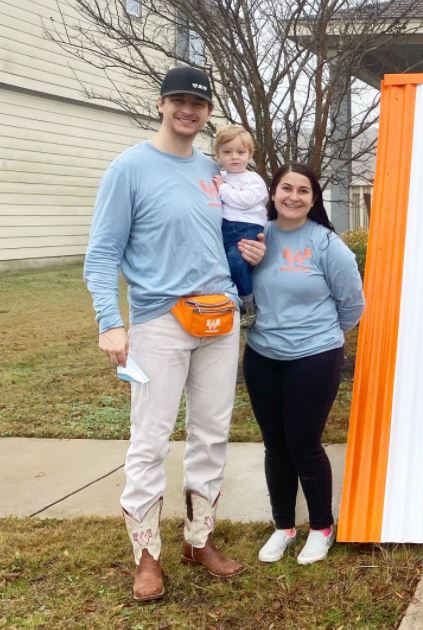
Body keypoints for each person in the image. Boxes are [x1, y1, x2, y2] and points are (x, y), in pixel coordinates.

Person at [83, 66, 265, 602]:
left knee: (211, 434)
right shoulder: (130, 168)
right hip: (160, 321)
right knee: (151, 439)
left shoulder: (217, 170)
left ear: (209, 113)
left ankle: (198, 539)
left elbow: (237, 228)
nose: (189, 110)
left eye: (199, 104)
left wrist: (247, 255)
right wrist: (110, 323)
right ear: (162, 104)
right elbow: (102, 253)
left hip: (218, 319)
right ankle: (146, 555)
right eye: (180, 100)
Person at [242, 163, 364, 565]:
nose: (293, 197)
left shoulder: (327, 245)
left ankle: (321, 527)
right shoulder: (255, 235)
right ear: (272, 194)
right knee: (275, 446)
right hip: (262, 355)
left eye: (303, 191)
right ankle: (283, 527)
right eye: (286, 188)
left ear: (314, 199)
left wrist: (320, 337)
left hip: (314, 357)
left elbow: (352, 305)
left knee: (304, 444)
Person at [212, 124, 268, 327]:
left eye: (240, 152)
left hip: (247, 229)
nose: (234, 157)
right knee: (225, 266)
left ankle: (249, 304)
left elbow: (245, 200)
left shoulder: (253, 179)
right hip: (225, 228)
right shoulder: (221, 177)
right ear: (218, 155)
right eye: (227, 152)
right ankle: (229, 305)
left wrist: (223, 189)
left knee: (236, 261)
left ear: (250, 154)